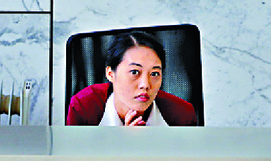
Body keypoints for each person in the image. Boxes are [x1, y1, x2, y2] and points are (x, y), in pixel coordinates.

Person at [66, 31, 197, 127]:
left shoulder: (182, 115)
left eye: (154, 74)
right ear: (110, 74)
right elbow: (72, 156)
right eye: (134, 72)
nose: (145, 85)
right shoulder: (85, 106)